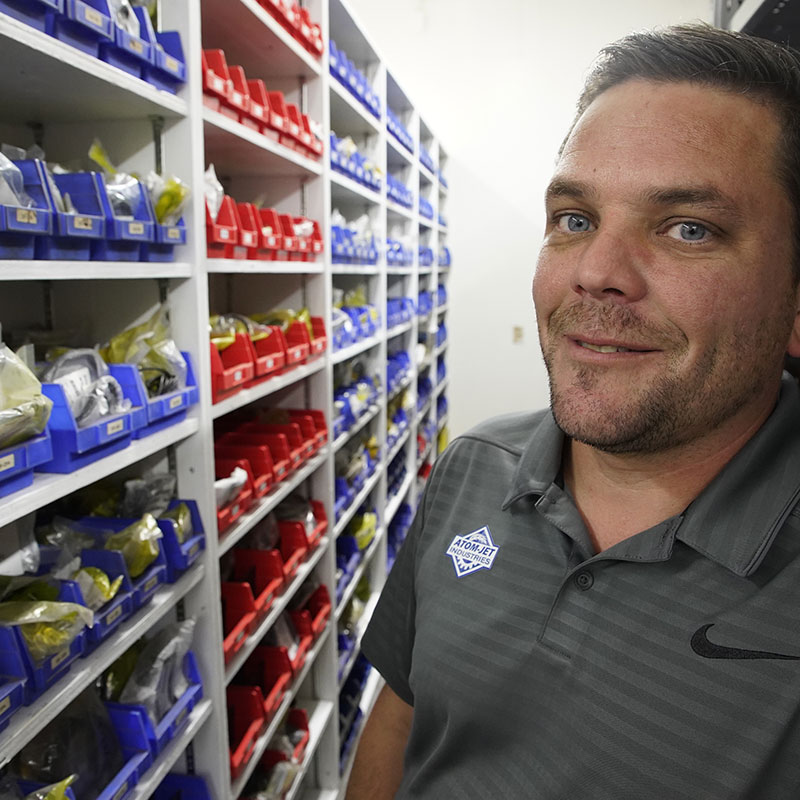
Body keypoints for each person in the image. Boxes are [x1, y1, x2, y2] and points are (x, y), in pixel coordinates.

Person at [346, 22, 800, 800]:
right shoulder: (472, 467)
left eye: (689, 227)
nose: (595, 273)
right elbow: (405, 711)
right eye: (576, 219)